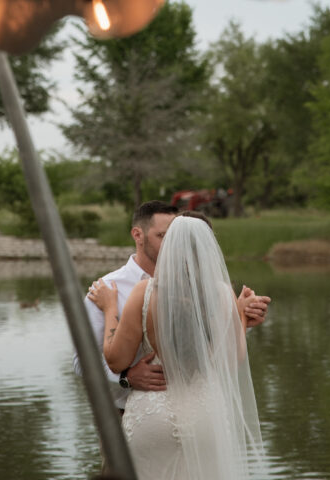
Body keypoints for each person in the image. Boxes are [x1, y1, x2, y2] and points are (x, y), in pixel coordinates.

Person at [88, 214, 264, 479]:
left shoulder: (144, 292)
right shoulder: (221, 293)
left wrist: (111, 307)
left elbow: (115, 360)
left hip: (153, 416)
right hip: (206, 417)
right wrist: (238, 315)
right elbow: (233, 358)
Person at [74, 201, 270, 412]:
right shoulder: (107, 289)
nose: (170, 243)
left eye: (172, 236)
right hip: (129, 413)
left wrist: (239, 315)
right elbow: (81, 363)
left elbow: (211, 351)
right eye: (162, 236)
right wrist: (125, 378)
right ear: (138, 235)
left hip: (196, 412)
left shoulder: (202, 289)